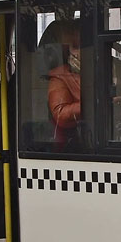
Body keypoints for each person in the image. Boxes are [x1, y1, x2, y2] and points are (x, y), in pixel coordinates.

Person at [46, 20, 82, 148]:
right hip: (71, 144)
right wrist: (93, 103)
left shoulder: (109, 67)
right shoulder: (59, 76)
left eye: (83, 46)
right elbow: (60, 114)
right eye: (75, 47)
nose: (78, 53)